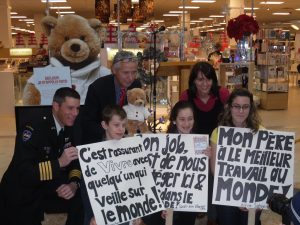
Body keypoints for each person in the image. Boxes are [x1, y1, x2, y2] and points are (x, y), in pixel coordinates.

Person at [0, 87, 83, 225]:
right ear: (56, 106)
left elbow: (74, 161)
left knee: (81, 197)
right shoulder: (33, 128)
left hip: (47, 183)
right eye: (70, 108)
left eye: (77, 108)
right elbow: (24, 171)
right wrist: (59, 163)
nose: (75, 113)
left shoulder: (70, 126)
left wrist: (73, 184)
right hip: (22, 190)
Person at [180, 61, 229, 225]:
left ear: (213, 80)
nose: (204, 84)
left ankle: (213, 217)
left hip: (218, 144)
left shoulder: (222, 94)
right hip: (195, 145)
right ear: (193, 80)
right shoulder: (186, 96)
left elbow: (230, 121)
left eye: (208, 79)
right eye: (200, 79)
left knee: (215, 180)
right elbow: (181, 122)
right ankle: (199, 211)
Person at [210, 88, 263, 225]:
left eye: (245, 107)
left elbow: (264, 169)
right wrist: (235, 196)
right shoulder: (218, 133)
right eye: (237, 106)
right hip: (226, 194)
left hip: (252, 194)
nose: (241, 111)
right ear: (229, 107)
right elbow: (215, 170)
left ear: (251, 108)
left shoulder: (261, 132)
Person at [81, 104, 128, 225]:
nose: (121, 129)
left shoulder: (131, 150)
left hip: (125, 215)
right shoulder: (92, 153)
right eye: (116, 125)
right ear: (104, 125)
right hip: (98, 216)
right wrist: (92, 215)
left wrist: (139, 212)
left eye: (123, 125)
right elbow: (87, 188)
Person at [82, 50, 141, 144]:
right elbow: (88, 122)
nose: (130, 78)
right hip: (102, 141)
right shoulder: (98, 88)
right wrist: (109, 135)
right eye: (126, 73)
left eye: (134, 72)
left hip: (128, 140)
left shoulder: (136, 85)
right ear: (114, 70)